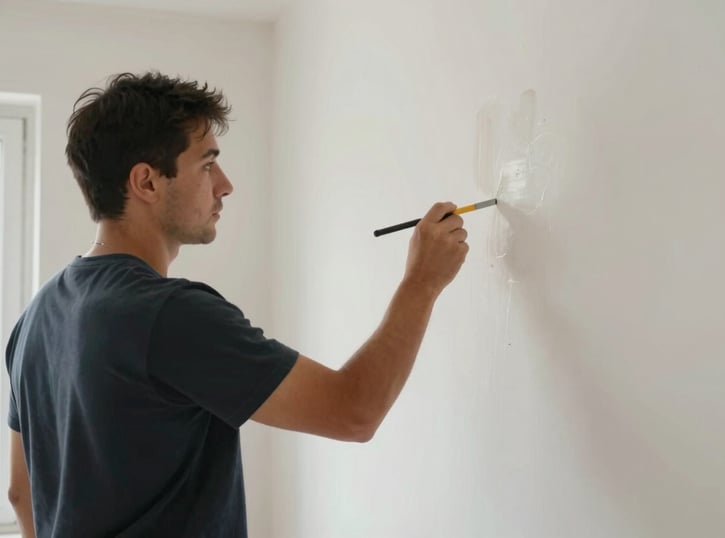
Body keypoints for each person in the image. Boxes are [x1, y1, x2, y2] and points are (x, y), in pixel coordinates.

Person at [5, 72, 469, 537]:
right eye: (207, 165)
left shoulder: (35, 318)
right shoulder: (169, 314)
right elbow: (354, 411)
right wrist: (422, 282)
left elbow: (21, 496)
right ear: (146, 181)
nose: (225, 185)